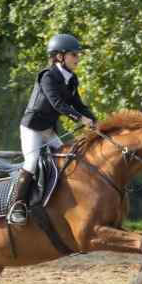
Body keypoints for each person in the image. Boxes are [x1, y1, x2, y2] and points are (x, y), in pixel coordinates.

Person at [9, 33, 98, 225]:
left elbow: (78, 104)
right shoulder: (47, 76)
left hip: (48, 129)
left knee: (65, 159)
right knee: (32, 161)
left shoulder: (72, 79)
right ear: (60, 56)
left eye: (77, 55)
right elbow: (57, 104)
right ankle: (17, 206)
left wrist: (95, 121)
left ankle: (55, 204)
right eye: (74, 55)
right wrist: (79, 118)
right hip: (32, 127)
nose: (77, 58)